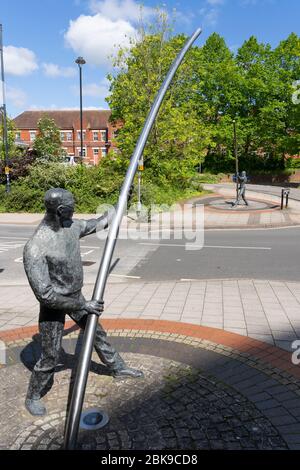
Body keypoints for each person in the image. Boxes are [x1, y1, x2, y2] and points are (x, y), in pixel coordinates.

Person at [23, 188, 143, 416]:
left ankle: (118, 368)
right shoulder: (36, 246)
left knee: (96, 332)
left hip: (76, 297)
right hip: (53, 307)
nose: (75, 208)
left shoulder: (72, 227)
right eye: (72, 205)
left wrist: (122, 201)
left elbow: (99, 222)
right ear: (61, 210)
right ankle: (33, 395)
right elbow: (46, 295)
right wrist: (82, 306)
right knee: (50, 355)